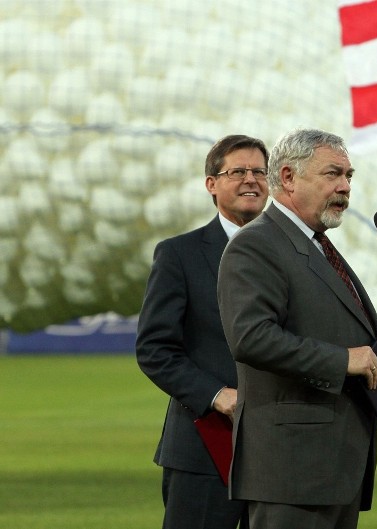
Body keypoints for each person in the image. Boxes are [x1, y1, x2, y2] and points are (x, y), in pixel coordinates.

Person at [216, 128, 377, 529]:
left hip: (335, 467)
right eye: (333, 174)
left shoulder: (318, 244)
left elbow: (347, 340)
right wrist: (343, 360)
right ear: (288, 177)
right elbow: (251, 338)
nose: (344, 187)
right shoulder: (256, 244)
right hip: (292, 471)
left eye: (349, 176)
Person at [136, 134, 270, 529]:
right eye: (238, 171)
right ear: (211, 184)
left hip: (281, 451)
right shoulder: (179, 254)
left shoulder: (297, 254)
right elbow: (155, 349)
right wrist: (216, 396)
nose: (251, 180)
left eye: (259, 172)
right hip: (205, 445)